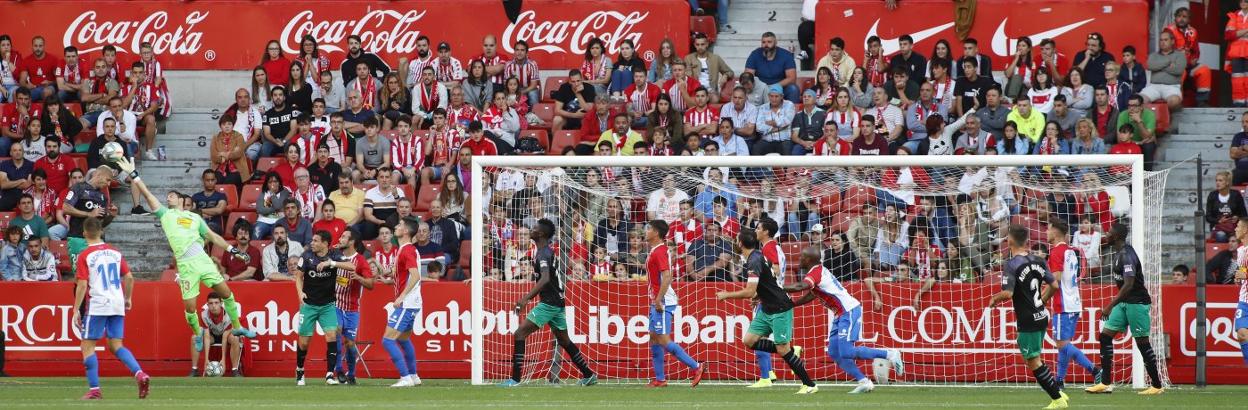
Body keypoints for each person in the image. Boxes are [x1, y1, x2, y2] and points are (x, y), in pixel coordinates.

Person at [116, 157, 259, 351]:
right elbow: (148, 195)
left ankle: (237, 327)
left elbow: (213, 236)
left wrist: (232, 250)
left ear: (182, 200)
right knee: (190, 308)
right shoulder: (166, 215)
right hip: (185, 265)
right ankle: (198, 332)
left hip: (202, 260)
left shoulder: (194, 217)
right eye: (167, 196)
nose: (168, 198)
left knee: (226, 293)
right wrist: (134, 175)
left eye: (172, 196)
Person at [786, 246, 902, 393]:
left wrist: (778, 287)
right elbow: (813, 294)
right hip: (840, 314)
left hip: (849, 311)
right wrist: (794, 304)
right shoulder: (817, 271)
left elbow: (800, 286)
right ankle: (864, 381)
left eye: (802, 256)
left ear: (809, 259)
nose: (799, 258)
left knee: (846, 351)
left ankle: (890, 354)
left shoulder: (815, 273)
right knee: (834, 352)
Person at [717, 228, 818, 394]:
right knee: (749, 340)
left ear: (741, 244)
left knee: (782, 349)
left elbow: (749, 291)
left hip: (780, 307)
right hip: (766, 307)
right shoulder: (757, 255)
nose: (735, 242)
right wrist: (759, 294)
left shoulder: (754, 261)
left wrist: (726, 295)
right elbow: (769, 280)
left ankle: (810, 385)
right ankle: (792, 351)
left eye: (736, 240)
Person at [499, 219, 598, 386]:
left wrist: (525, 299)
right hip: (557, 301)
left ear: (541, 234)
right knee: (564, 340)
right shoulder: (544, 252)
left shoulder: (544, 253)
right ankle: (588, 375)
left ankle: (514, 379)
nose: (532, 229)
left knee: (520, 333)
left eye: (535, 228)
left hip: (550, 302)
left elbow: (545, 279)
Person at [988, 224, 1068, 408]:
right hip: (1042, 315)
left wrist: (994, 299)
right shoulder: (1038, 260)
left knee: (1033, 361)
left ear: (1009, 241)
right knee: (1035, 358)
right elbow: (1055, 285)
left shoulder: (1012, 264)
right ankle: (1059, 393)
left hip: (1027, 319)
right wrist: (1043, 300)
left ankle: (1057, 399)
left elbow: (1008, 293)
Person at [71, 217, 150, 400]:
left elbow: (82, 285)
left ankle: (95, 390)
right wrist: (128, 298)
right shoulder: (115, 252)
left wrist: (76, 309)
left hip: (98, 303)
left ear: (84, 234)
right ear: (101, 232)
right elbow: (129, 277)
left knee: (87, 345)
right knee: (116, 345)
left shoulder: (85, 255)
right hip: (117, 302)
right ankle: (139, 374)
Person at [1084, 223, 1165, 395]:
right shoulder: (1118, 253)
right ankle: (1105, 382)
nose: (1106, 234)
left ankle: (1157, 385)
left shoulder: (1127, 255)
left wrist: (1110, 305)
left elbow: (1128, 285)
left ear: (1117, 236)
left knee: (1142, 343)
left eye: (1109, 232)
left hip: (1137, 303)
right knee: (1105, 336)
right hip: (1124, 303)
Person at [640, 220, 705, 387]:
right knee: (654, 338)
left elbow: (667, 276)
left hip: (663, 301)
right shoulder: (657, 250)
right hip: (658, 299)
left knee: (662, 338)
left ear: (656, 233)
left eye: (649, 229)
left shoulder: (660, 251)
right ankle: (660, 379)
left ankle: (696, 366)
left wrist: (658, 299)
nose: (646, 231)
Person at [287, 230, 352, 386]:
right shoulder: (306, 256)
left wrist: (332, 263)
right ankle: (300, 370)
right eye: (312, 240)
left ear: (325, 243)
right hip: (309, 305)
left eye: (316, 241)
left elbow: (351, 266)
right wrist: (300, 293)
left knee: (331, 336)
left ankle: (330, 374)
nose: (312, 243)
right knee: (304, 342)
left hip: (328, 305)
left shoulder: (334, 254)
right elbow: (298, 277)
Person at [1047, 219, 1101, 389]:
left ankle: (1094, 370)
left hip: (1063, 304)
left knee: (1062, 344)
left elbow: (1054, 281)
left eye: (1048, 229)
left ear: (1055, 232)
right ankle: (1059, 380)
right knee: (1064, 344)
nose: (1046, 232)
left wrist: (1041, 299)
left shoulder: (1056, 252)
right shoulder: (1071, 251)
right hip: (1074, 302)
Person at [381, 219, 426, 387]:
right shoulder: (406, 249)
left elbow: (415, 275)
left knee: (387, 340)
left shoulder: (407, 250)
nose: (395, 227)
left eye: (399, 225)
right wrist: (390, 279)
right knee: (403, 340)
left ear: (406, 231)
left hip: (407, 303)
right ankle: (413, 375)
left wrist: (401, 297)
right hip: (412, 302)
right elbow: (405, 274)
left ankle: (405, 377)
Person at [331, 229, 374, 384]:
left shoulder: (360, 261)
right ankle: (338, 370)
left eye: (344, 237)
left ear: (352, 241)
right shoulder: (335, 256)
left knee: (350, 343)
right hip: (335, 305)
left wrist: (359, 278)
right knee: (335, 331)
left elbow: (371, 284)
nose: (340, 239)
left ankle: (352, 374)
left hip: (352, 308)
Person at [1165, 7, 1212, 106]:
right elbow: (1166, 50)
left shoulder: (1193, 31)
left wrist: (1194, 58)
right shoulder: (1169, 30)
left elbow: (1196, 51)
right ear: (1175, 18)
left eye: (1184, 17)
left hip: (1188, 64)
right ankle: (1177, 102)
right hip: (1173, 65)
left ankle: (1202, 101)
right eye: (1179, 16)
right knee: (1181, 72)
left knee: (1204, 70)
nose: (1181, 19)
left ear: (1189, 19)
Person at [190, 292, 243, 377]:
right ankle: (194, 369)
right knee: (195, 337)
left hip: (226, 336)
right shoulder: (204, 315)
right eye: (211, 303)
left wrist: (223, 360)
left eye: (216, 303)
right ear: (207, 305)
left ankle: (235, 370)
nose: (213, 306)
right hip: (212, 336)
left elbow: (225, 337)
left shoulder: (229, 314)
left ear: (221, 303)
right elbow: (206, 336)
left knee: (235, 338)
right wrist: (206, 360)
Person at [744, 32, 799, 103]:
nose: (766, 45)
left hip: (780, 87)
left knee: (793, 89)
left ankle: (792, 113)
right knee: (743, 87)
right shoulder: (755, 54)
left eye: (769, 42)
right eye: (763, 42)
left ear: (775, 43)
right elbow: (748, 76)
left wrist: (773, 87)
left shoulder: (786, 55)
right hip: (760, 88)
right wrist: (761, 87)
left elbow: (792, 79)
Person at [1140, 31, 1185, 110]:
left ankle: (1165, 118)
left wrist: (1158, 66)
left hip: (1171, 87)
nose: (1162, 42)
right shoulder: (1153, 55)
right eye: (1161, 40)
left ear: (1172, 41)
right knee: (1139, 101)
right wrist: (1168, 62)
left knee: (1174, 101)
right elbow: (1150, 66)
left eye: (1165, 40)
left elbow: (1178, 70)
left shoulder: (1179, 55)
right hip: (1153, 87)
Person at [684, 34, 734, 104]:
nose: (700, 47)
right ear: (694, 45)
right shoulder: (689, 58)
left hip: (711, 90)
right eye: (697, 45)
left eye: (702, 44)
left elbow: (730, 72)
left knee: (715, 99)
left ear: (707, 44)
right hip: (695, 91)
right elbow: (687, 77)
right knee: (695, 99)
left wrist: (725, 75)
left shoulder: (715, 58)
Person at [1116, 95, 1157, 170]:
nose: (1131, 108)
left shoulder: (1150, 115)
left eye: (1135, 106)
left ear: (1141, 106)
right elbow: (1119, 139)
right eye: (1129, 105)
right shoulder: (1123, 115)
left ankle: (1147, 176)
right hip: (1129, 143)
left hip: (1145, 143)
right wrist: (1138, 143)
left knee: (1148, 146)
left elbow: (1146, 137)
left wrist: (1139, 121)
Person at [1208, 171, 1247, 242]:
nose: (1217, 183)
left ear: (1227, 182)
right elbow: (1208, 217)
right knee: (1221, 236)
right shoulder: (1212, 195)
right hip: (1219, 228)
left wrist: (1237, 217)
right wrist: (1219, 221)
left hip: (1234, 227)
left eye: (1220, 180)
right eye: (1216, 180)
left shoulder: (1236, 194)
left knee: (1236, 237)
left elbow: (1244, 214)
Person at [190, 170, 227, 235]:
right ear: (203, 180)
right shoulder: (196, 196)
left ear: (215, 180)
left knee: (208, 226)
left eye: (212, 180)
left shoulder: (221, 196)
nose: (210, 182)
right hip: (200, 224)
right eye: (207, 180)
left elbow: (219, 210)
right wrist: (211, 213)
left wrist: (200, 210)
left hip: (215, 226)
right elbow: (192, 211)